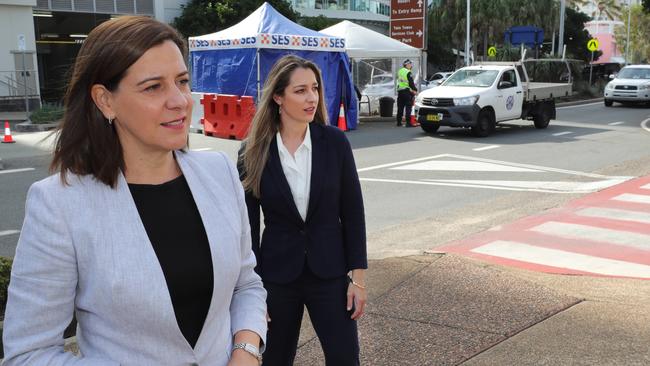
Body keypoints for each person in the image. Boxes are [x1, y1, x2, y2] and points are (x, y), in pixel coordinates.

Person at [2, 16, 267, 365]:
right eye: (153, 87)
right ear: (105, 101)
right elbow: (28, 354)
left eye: (182, 81)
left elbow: (246, 283)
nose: (180, 101)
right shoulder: (60, 204)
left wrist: (245, 351)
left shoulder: (218, 172)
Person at [238, 55, 367, 366]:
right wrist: (251, 292)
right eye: (300, 91)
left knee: (345, 358)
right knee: (275, 359)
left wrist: (358, 279)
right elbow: (246, 227)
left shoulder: (335, 143)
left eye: (315, 88)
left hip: (330, 273)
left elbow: (353, 213)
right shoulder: (253, 150)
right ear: (278, 97)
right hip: (276, 278)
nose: (312, 98)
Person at [396, 59, 418, 127]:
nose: (411, 66)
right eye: (410, 64)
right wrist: (415, 90)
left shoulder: (400, 71)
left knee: (400, 107)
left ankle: (399, 122)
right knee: (408, 107)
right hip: (406, 91)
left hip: (400, 91)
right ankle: (408, 123)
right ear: (407, 65)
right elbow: (411, 83)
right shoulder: (408, 72)